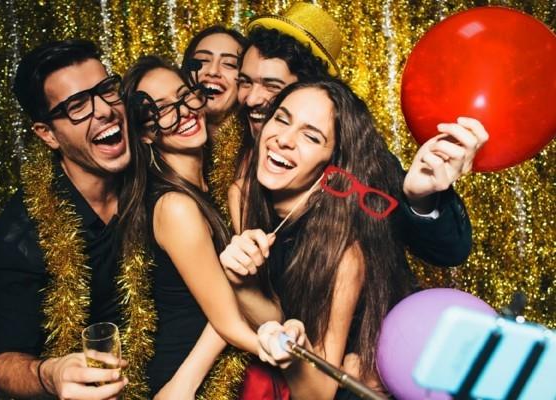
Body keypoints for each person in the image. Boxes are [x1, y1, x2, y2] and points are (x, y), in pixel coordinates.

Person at [220, 79, 489, 399]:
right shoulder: (244, 195)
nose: (284, 140)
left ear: (333, 162)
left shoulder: (343, 251)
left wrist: (295, 353)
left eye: (310, 136)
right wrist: (241, 282)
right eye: (281, 118)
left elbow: (317, 392)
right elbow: (274, 313)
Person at [233, 2, 486, 268]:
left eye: (272, 86)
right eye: (245, 82)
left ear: (309, 89)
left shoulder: (360, 158)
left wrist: (420, 200)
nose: (251, 98)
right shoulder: (232, 158)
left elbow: (449, 252)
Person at [0, 40, 134, 398]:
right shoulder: (19, 238)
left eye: (106, 90)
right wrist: (49, 373)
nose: (105, 111)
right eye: (77, 106)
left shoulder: (152, 178)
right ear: (47, 134)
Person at [120, 55, 264, 398]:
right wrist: (290, 352)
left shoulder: (207, 186)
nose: (184, 111)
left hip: (214, 372)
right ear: (144, 134)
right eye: (162, 109)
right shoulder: (176, 206)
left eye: (185, 94)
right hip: (189, 381)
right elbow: (229, 319)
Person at [181, 26, 248, 221]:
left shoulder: (256, 155)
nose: (213, 71)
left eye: (229, 64)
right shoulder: (165, 150)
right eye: (202, 61)